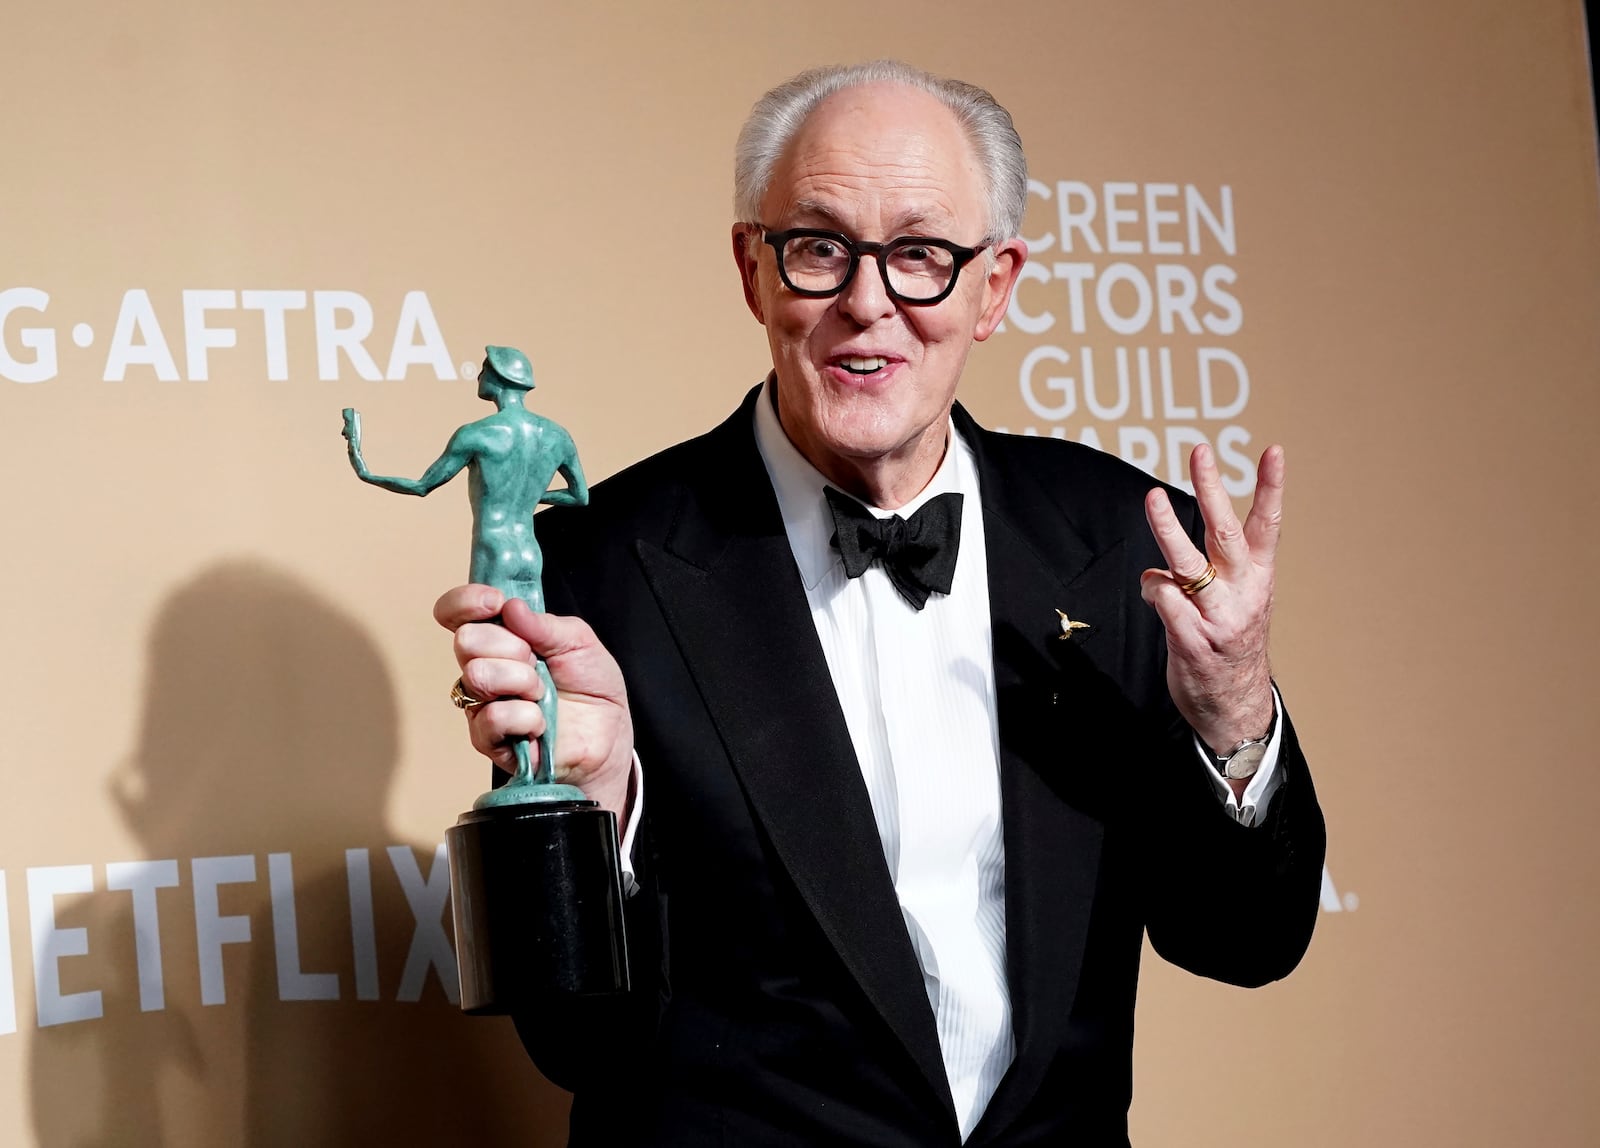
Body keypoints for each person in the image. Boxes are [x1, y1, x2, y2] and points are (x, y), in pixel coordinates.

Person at [434, 61, 1325, 1147]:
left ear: (994, 285)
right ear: (753, 271)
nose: (869, 302)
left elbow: (1245, 939)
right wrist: (603, 808)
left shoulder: (1123, 541)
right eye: (819, 247)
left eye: (920, 255)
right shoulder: (595, 567)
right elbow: (576, 1048)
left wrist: (1235, 714)